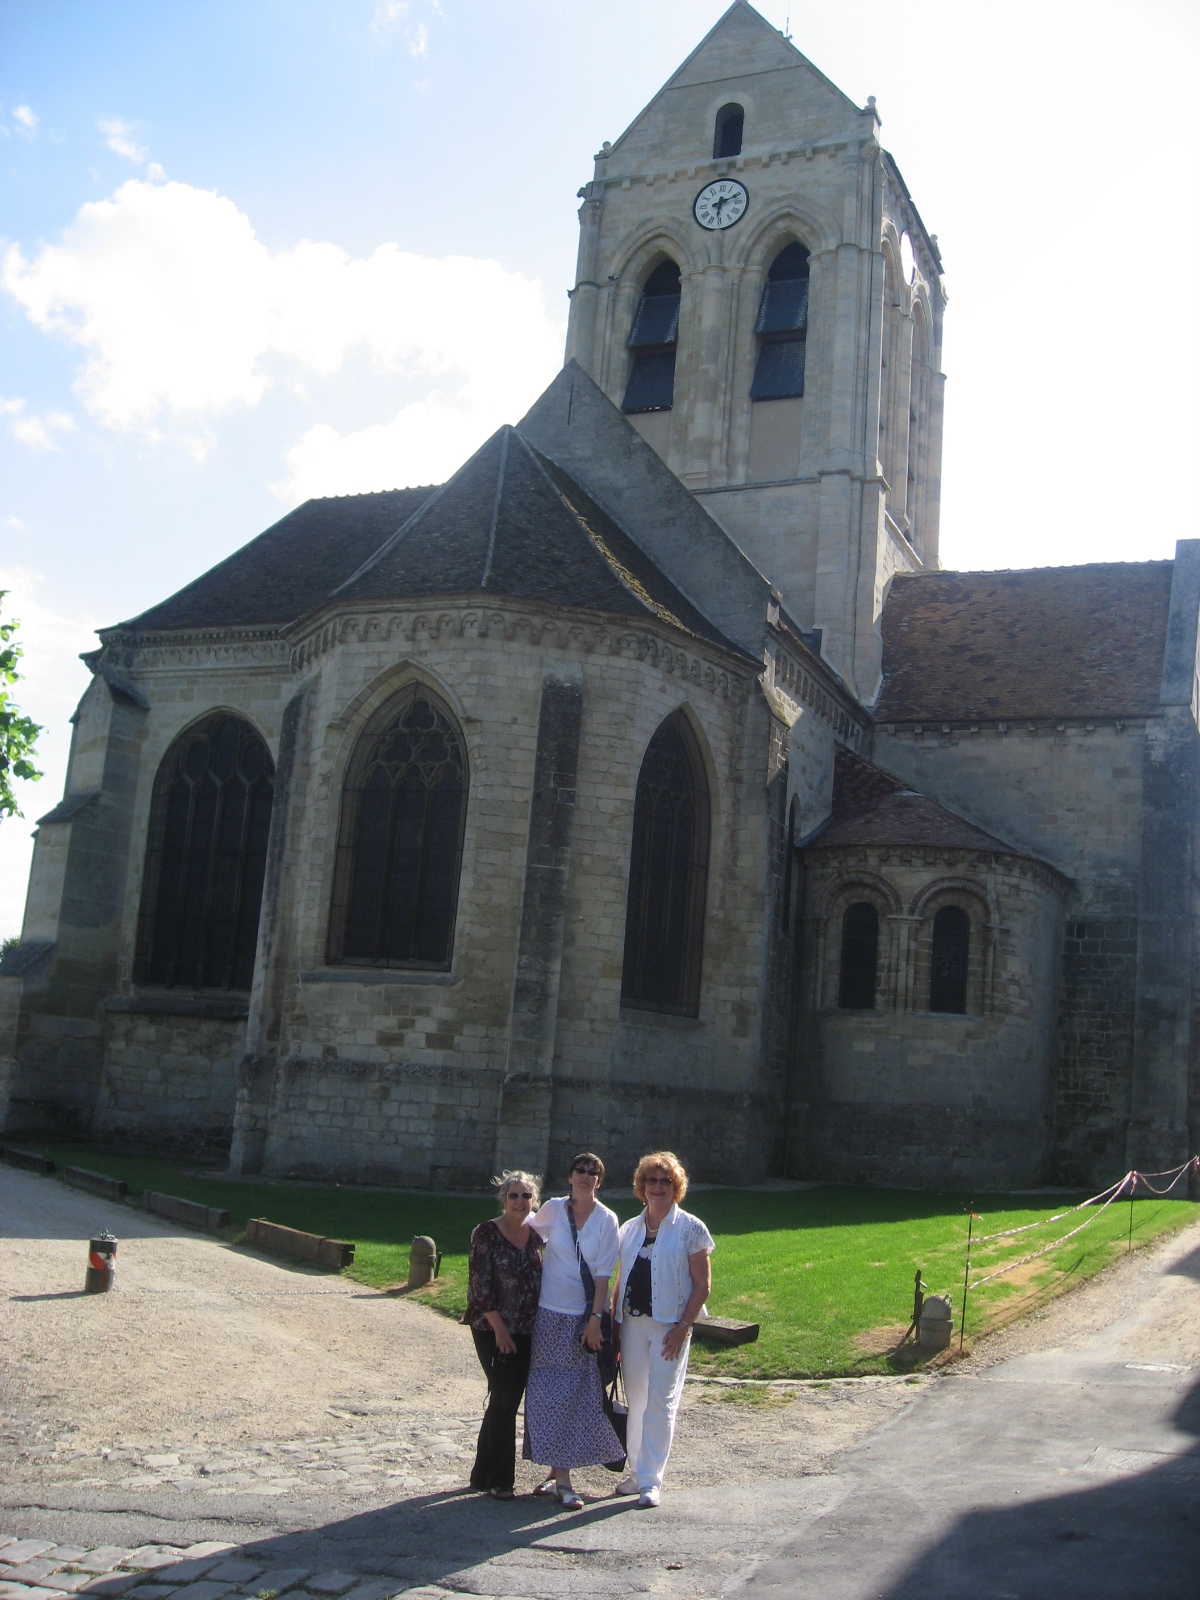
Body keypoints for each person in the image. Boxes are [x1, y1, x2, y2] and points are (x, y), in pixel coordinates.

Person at [612, 1151, 714, 1508]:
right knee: (637, 1400)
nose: (658, 1187)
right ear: (642, 1186)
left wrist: (683, 1327)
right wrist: (614, 1325)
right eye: (652, 1181)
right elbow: (621, 1279)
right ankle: (636, 1471)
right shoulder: (630, 1229)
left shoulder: (691, 1229)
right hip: (632, 1326)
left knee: (660, 1400)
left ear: (676, 1187)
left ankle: (651, 1480)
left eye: (665, 1181)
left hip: (669, 1328)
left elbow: (702, 1285)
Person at [523, 1151, 623, 1508]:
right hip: (548, 1316)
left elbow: (603, 1276)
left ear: (599, 1180)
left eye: (592, 1172)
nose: (585, 1176)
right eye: (580, 1170)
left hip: (583, 1319)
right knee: (543, 1393)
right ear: (569, 1177)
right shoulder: (553, 1209)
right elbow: (524, 1230)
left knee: (573, 1395)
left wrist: (595, 1320)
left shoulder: (606, 1220)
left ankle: (563, 1479)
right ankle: (556, 1473)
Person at [463, 1169, 544, 1499]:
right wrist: (500, 1331)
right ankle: (501, 1480)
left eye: (526, 1196)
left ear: (534, 1200)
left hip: (526, 1328)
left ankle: (481, 1475)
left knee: (502, 1397)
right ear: (504, 1198)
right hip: (491, 1328)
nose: (520, 1201)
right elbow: (479, 1288)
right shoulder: (486, 1233)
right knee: (506, 1398)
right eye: (514, 1195)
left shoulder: (537, 1235)